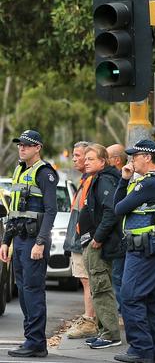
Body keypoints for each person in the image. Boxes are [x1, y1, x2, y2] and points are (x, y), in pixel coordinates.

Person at [113, 139, 155, 363]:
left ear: (147, 157)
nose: (131, 160)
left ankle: (140, 349)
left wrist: (126, 181)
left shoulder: (149, 183)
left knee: (130, 297)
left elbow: (118, 208)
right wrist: (125, 179)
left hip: (143, 249)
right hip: (151, 247)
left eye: (135, 156)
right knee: (150, 301)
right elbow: (119, 205)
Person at [0, 130, 58, 358]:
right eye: (20, 144)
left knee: (33, 292)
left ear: (38, 148)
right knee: (23, 293)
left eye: (27, 145)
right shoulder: (18, 171)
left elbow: (51, 211)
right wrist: (5, 241)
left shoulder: (45, 173)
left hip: (34, 241)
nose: (21, 148)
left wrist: (41, 242)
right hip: (20, 240)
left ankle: (36, 343)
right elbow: (14, 212)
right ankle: (30, 339)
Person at [78, 144, 123, 349]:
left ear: (102, 162)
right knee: (97, 287)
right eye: (85, 159)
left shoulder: (105, 179)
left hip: (99, 244)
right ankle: (105, 331)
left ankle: (111, 335)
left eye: (90, 159)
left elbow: (110, 211)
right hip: (91, 242)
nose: (85, 162)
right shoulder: (97, 179)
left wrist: (98, 237)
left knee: (101, 288)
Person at [63, 141, 99, 339]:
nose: (75, 159)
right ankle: (89, 318)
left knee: (88, 281)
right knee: (86, 279)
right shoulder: (84, 180)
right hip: (79, 240)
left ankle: (90, 321)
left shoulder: (91, 180)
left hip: (84, 241)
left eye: (78, 155)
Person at [106, 143, 127, 315]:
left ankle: (124, 312)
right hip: (120, 238)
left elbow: (116, 210)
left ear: (117, 160)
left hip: (121, 238)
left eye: (107, 157)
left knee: (119, 278)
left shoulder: (121, 180)